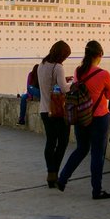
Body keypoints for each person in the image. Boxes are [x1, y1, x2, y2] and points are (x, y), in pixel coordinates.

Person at [56, 40, 110, 200]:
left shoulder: (78, 71)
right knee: (97, 154)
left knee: (81, 149)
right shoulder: (104, 74)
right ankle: (97, 190)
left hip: (81, 116)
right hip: (99, 117)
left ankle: (62, 179)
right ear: (100, 55)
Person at [37, 41, 72, 187]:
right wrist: (75, 82)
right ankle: (54, 172)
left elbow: (49, 84)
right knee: (63, 142)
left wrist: (64, 80)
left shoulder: (41, 65)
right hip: (58, 112)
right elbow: (63, 89)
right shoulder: (58, 67)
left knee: (50, 141)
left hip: (45, 110)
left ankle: (51, 172)